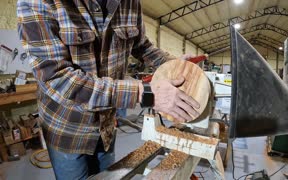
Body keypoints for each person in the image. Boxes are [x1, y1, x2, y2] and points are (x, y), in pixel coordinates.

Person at [17, 0, 200, 179]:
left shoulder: (129, 3)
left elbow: (142, 46)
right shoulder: (38, 2)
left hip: (106, 126)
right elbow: (58, 78)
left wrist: (173, 64)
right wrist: (143, 93)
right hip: (67, 130)